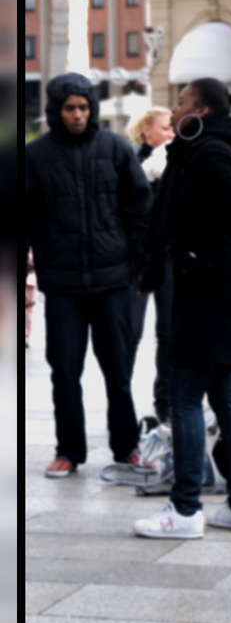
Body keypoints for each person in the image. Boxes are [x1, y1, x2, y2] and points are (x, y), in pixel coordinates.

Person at [133, 78, 231, 539]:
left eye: (180, 102)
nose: (174, 109)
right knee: (225, 394)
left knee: (184, 394)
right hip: (220, 282)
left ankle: (185, 509)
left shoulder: (210, 153)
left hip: (212, 286)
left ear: (199, 108)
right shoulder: (209, 148)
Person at [25, 72, 152, 478]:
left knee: (117, 368)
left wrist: (137, 264)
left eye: (83, 107)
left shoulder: (115, 148)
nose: (77, 115)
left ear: (91, 109)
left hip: (112, 281)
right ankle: (69, 450)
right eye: (69, 109)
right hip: (61, 284)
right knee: (64, 370)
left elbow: (140, 210)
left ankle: (127, 447)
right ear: (56, 111)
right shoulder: (36, 155)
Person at [126, 107, 175, 423]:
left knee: (168, 333)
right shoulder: (130, 162)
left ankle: (164, 403)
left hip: (171, 256)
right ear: (148, 131)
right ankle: (122, 406)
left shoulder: (177, 160)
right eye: (166, 128)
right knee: (129, 333)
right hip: (136, 259)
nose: (172, 134)